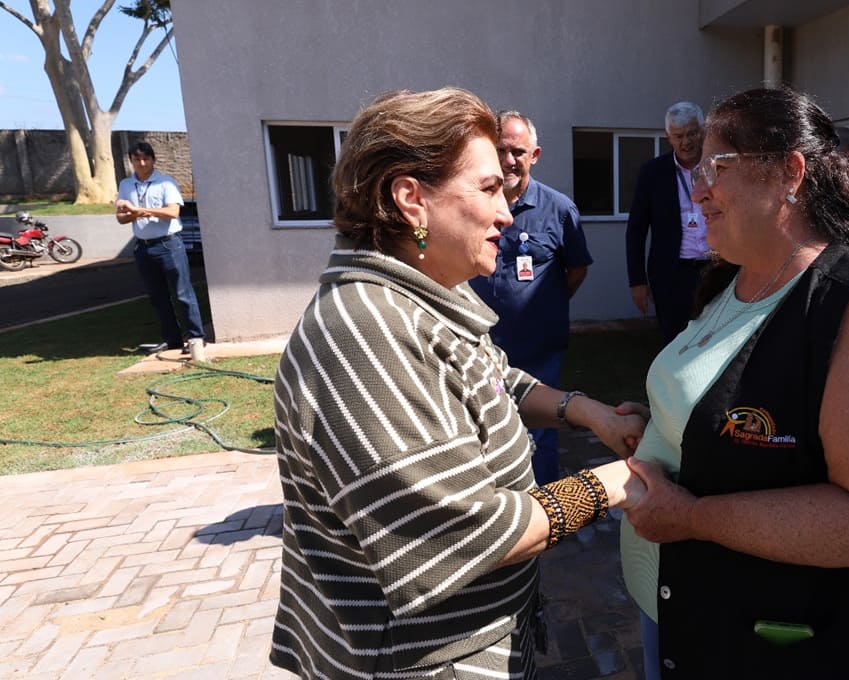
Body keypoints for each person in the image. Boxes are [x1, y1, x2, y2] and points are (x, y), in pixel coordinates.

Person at [269, 88, 648, 679]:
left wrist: (588, 412)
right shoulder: (368, 335)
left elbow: (495, 380)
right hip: (415, 660)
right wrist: (613, 484)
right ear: (411, 200)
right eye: (488, 189)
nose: (506, 213)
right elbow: (470, 531)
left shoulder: (428, 295)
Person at [619, 87, 849, 679]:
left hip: (778, 648)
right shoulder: (733, 280)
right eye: (696, 172)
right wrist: (669, 428)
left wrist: (691, 518)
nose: (697, 190)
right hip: (679, 615)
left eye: (715, 169)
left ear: (790, 173)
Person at [469, 111, 593, 484]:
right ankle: (498, 502)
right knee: (484, 427)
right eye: (501, 150)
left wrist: (544, 303)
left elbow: (577, 269)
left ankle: (541, 511)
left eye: (518, 152)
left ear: (534, 155)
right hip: (482, 345)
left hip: (538, 347)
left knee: (540, 429)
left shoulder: (558, 209)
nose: (509, 160)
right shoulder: (475, 204)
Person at [626, 102, 712, 342]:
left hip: (715, 269)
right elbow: (636, 230)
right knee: (675, 340)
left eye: (692, 133)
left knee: (713, 337)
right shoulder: (653, 173)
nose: (686, 142)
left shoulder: (717, 167)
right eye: (678, 136)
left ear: (703, 132)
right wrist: (637, 281)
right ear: (668, 138)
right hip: (672, 274)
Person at [114, 141, 205, 355]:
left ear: (153, 159)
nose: (142, 163)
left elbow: (173, 212)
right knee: (157, 296)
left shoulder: (165, 183)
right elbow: (120, 218)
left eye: (146, 159)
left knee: (183, 292)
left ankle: (196, 339)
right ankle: (172, 339)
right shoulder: (126, 184)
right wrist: (135, 213)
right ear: (131, 161)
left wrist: (138, 210)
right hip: (143, 247)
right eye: (137, 160)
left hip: (168, 244)